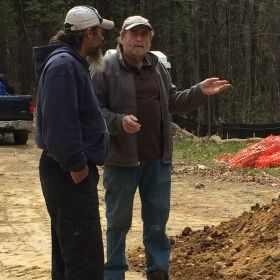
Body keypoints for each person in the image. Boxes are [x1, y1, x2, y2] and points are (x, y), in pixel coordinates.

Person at [91, 15, 231, 280]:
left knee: (156, 222)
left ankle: (157, 270)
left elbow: (173, 101)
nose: (139, 39)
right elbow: (93, 110)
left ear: (150, 39)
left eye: (145, 34)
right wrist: (119, 122)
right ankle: (114, 273)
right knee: (118, 223)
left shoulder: (157, 66)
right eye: (134, 34)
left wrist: (199, 90)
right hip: (121, 161)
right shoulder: (104, 68)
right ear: (122, 37)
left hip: (157, 159)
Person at [33, 6, 114, 280]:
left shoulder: (69, 63)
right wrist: (77, 165)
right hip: (68, 174)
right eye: (100, 33)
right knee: (84, 259)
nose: (103, 39)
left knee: (70, 253)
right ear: (88, 32)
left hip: (67, 172)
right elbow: (60, 126)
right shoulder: (63, 66)